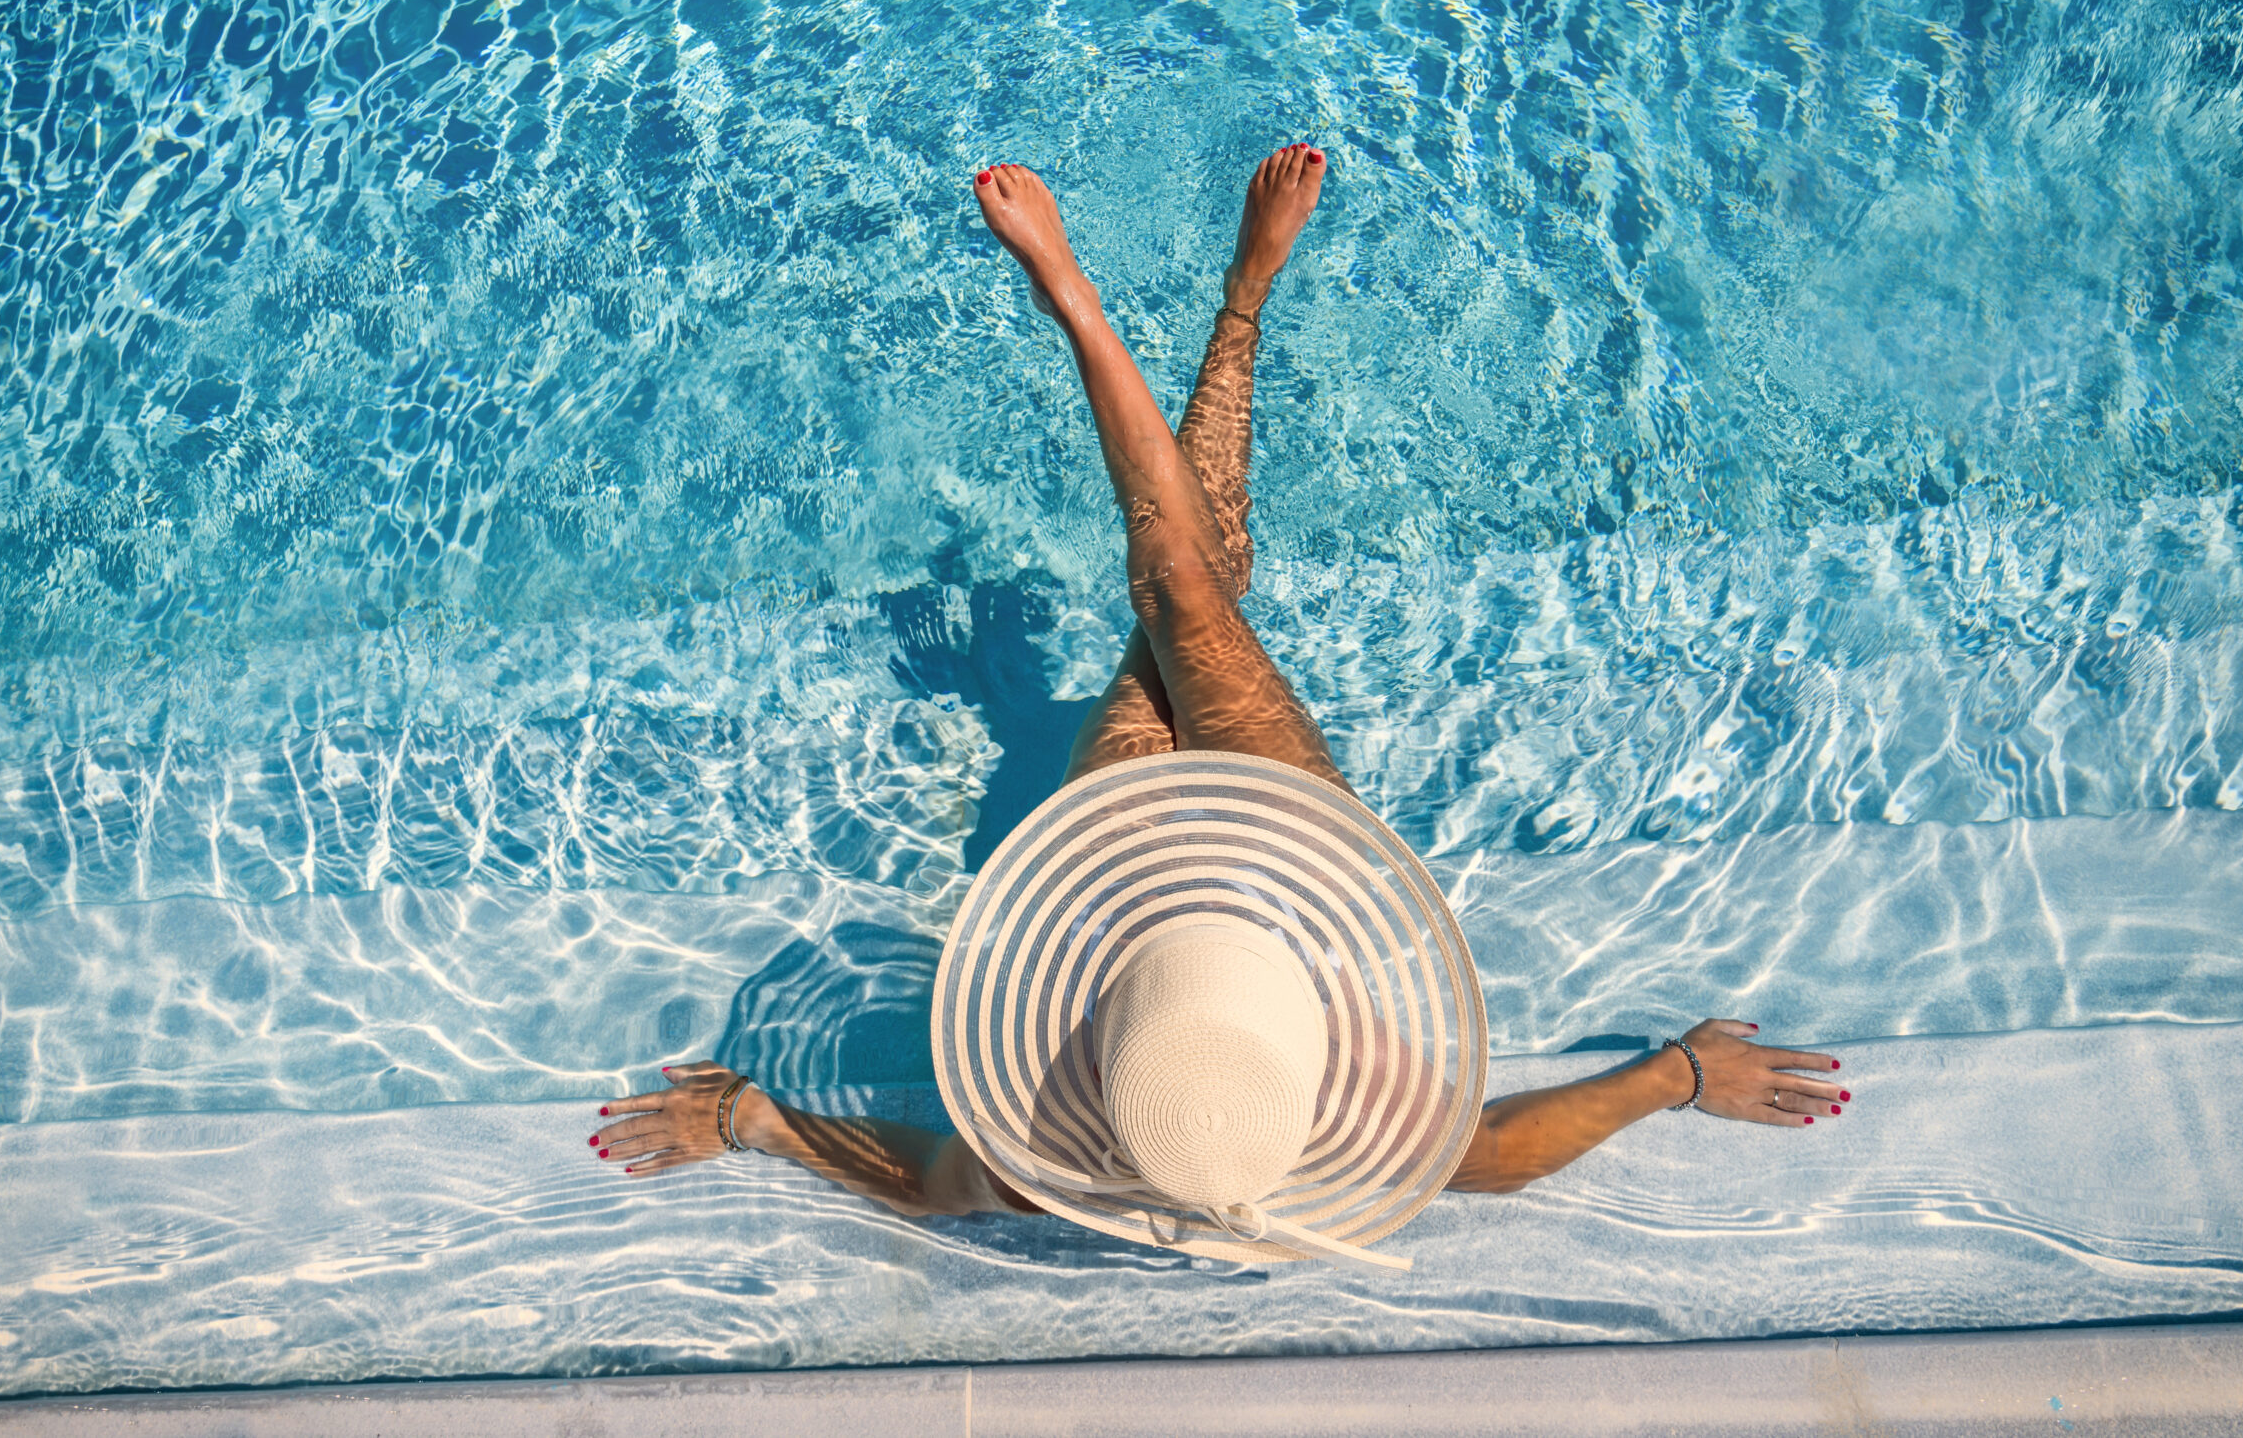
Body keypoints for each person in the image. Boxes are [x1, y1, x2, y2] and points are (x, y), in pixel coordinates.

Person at [588, 148, 1847, 1258]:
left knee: (1181, 591)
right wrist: (1674, 1075)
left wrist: (752, 1118)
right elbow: (1502, 1151)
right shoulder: (1343, 1127)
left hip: (1116, 863)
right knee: (1192, 589)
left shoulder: (1055, 1169)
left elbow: (923, 1181)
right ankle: (1232, 303)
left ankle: (1088, 306)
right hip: (1282, 846)